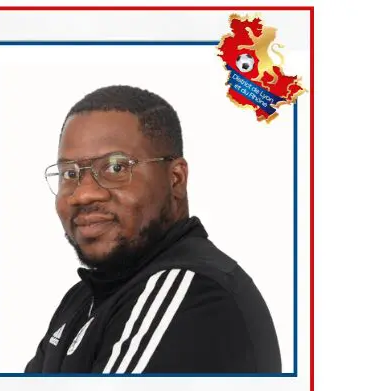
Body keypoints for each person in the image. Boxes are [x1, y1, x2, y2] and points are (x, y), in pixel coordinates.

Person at [25, 85, 281, 374]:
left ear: (176, 179)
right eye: (70, 173)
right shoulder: (83, 300)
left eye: (116, 168)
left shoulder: (191, 291)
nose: (83, 195)